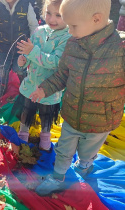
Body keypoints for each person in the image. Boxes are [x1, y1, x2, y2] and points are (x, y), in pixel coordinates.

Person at [29, 0, 125, 196]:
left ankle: (84, 166)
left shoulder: (120, 48)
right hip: (72, 113)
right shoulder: (73, 43)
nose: (70, 31)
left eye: (73, 26)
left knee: (88, 151)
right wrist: (44, 89)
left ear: (96, 19)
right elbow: (62, 74)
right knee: (64, 148)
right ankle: (57, 177)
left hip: (102, 120)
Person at [11, 0, 71, 154]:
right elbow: (28, 55)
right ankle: (23, 135)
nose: (51, 19)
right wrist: (23, 61)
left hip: (49, 89)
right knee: (27, 111)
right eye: (48, 13)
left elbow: (56, 62)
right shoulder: (39, 31)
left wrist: (33, 52)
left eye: (58, 15)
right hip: (31, 84)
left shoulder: (67, 37)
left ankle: (45, 137)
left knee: (47, 114)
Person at [0, 0, 39, 97]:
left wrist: (34, 44)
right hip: (3, 46)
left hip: (21, 46)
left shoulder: (26, 5)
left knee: (19, 68)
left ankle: (25, 83)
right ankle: (3, 84)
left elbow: (33, 26)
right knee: (2, 68)